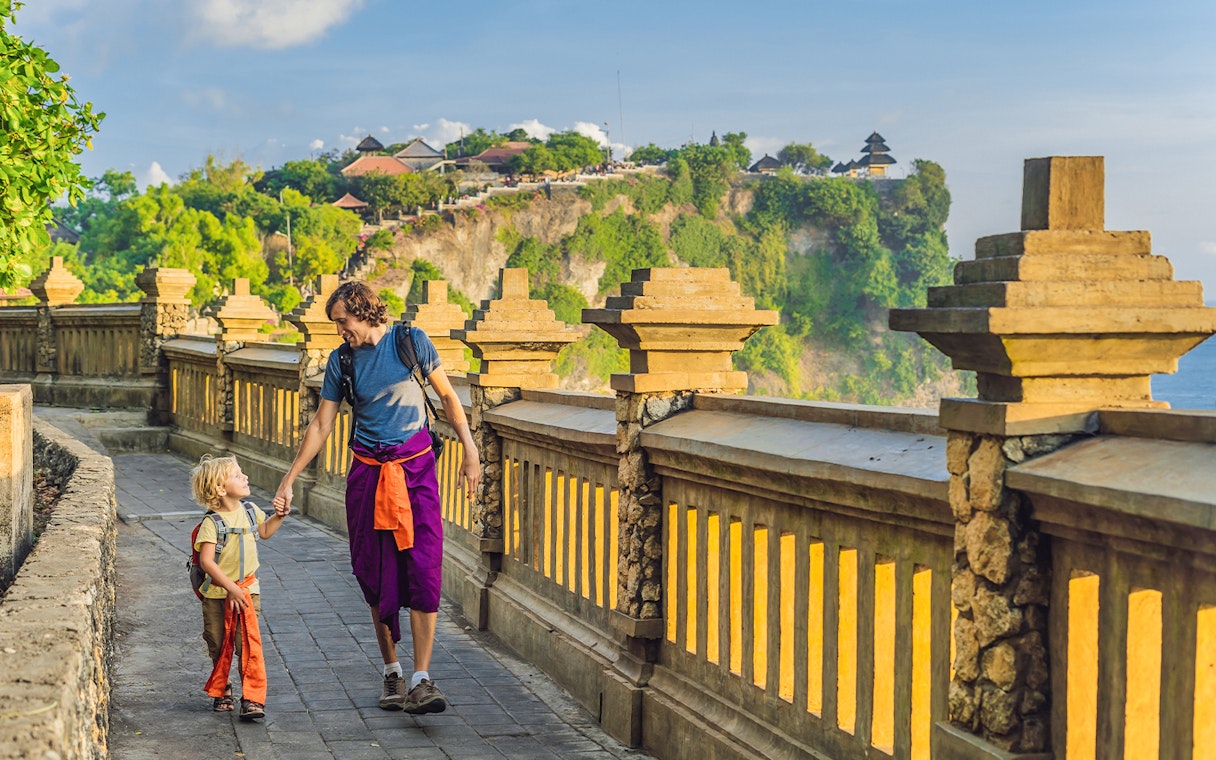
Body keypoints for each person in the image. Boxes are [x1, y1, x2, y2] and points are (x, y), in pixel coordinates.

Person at [272, 281, 480, 715]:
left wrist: (470, 450)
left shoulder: (410, 341)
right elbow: (321, 425)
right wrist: (289, 479)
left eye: (342, 321)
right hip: (368, 473)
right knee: (375, 572)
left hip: (416, 469)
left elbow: (447, 397)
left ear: (362, 311)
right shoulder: (341, 360)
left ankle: (422, 679)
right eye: (334, 325)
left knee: (424, 568)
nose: (339, 331)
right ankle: (392, 672)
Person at [190, 454, 289, 721]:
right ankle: (222, 688)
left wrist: (279, 515)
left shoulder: (249, 510)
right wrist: (230, 589)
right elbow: (206, 561)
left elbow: (265, 531)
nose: (245, 477)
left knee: (247, 645)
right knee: (218, 642)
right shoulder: (212, 523)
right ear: (221, 489)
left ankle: (252, 698)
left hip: (247, 591)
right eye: (237, 475)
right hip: (217, 595)